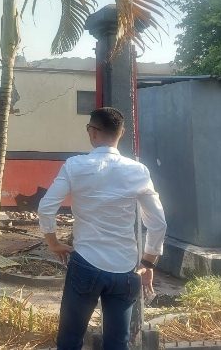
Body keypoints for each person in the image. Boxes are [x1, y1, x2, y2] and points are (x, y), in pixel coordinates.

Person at [38, 107, 167, 350]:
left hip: (85, 264)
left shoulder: (75, 166)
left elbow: (46, 208)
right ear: (122, 133)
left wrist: (53, 243)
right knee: (118, 343)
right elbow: (158, 222)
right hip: (125, 269)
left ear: (92, 131)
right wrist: (148, 262)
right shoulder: (138, 170)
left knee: (70, 340)